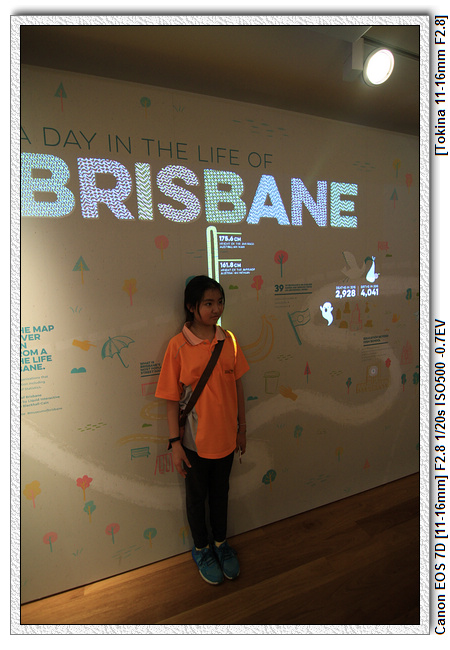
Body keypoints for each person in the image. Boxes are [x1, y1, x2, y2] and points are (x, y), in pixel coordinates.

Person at [155, 275, 249, 585]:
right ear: (191, 307)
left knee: (221, 494)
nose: (216, 309)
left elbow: (238, 386)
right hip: (194, 444)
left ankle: (221, 543)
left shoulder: (229, 340)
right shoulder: (178, 346)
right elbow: (171, 400)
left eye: (220, 302)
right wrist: (175, 444)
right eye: (208, 303)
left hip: (226, 439)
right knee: (197, 499)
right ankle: (201, 549)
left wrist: (242, 428)